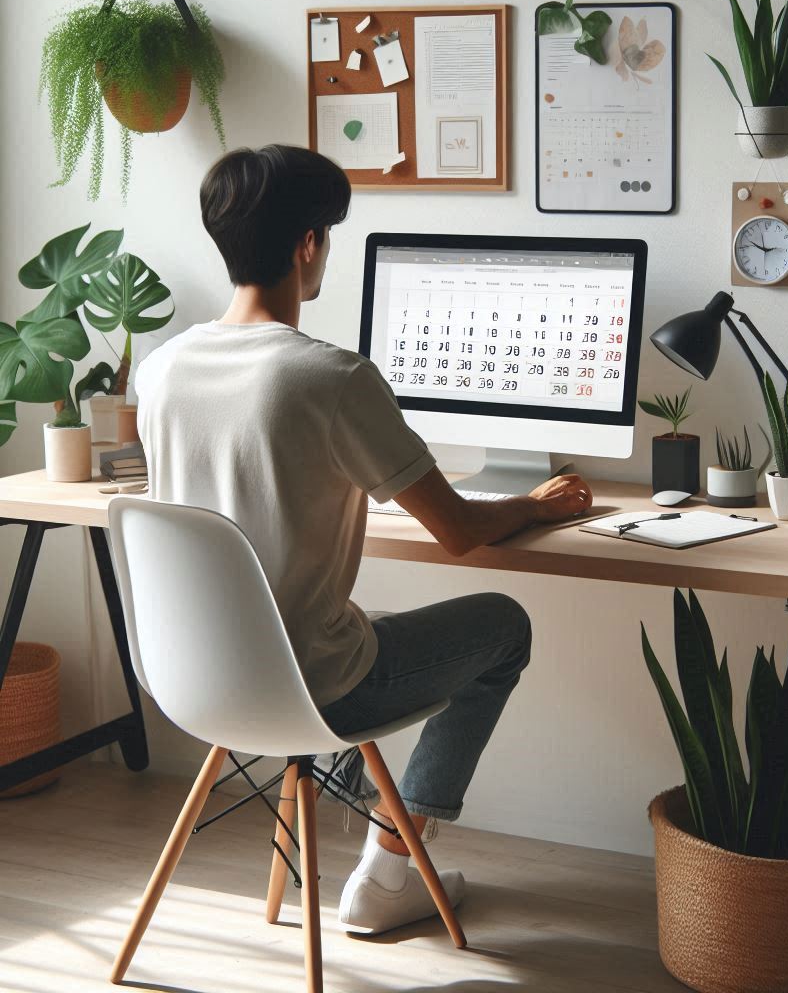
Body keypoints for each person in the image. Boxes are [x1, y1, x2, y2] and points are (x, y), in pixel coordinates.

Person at [135, 144, 593, 936]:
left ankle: (362, 803)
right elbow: (457, 531)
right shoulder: (331, 378)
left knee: (355, 619)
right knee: (503, 625)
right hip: (314, 685)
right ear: (309, 244)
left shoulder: (161, 370)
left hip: (194, 682)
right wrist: (534, 504)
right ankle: (388, 869)